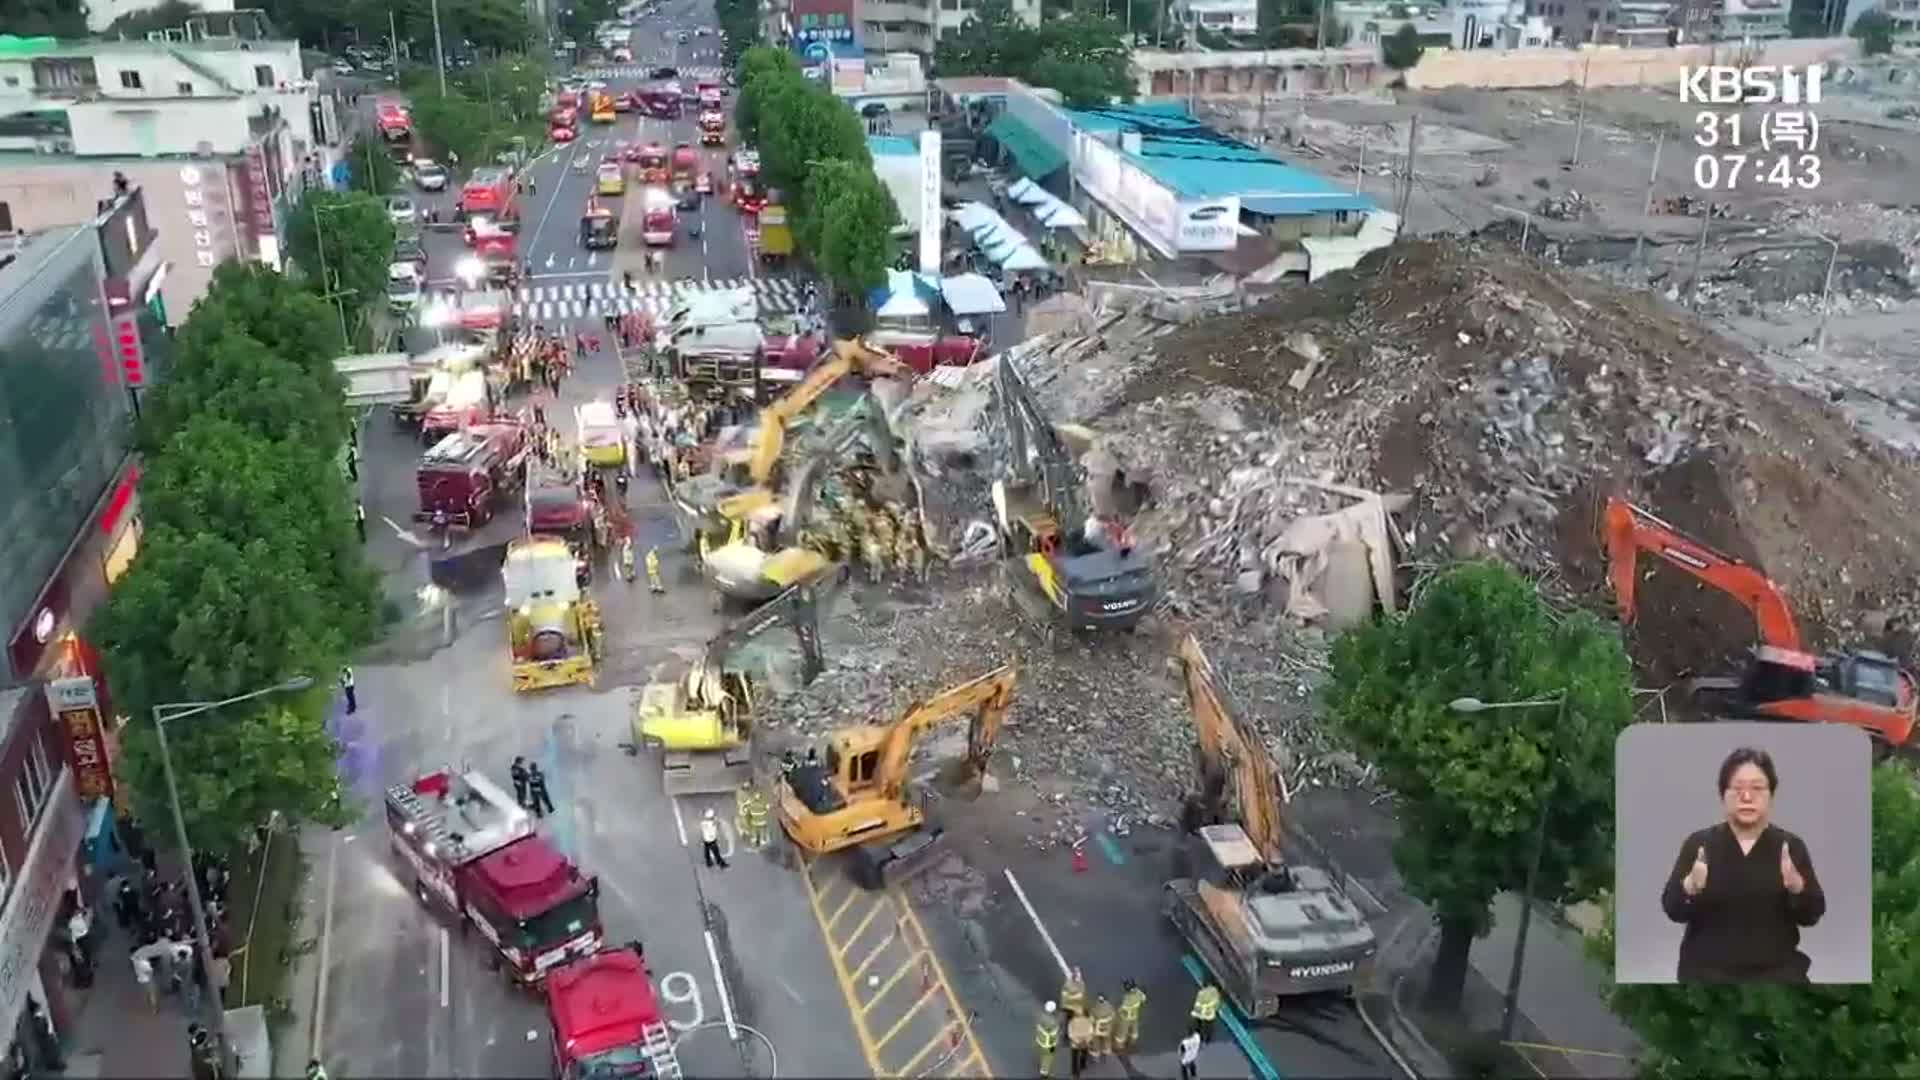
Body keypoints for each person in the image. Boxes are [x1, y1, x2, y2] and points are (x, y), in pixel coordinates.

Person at [1661, 745, 1826, 983]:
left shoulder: (1790, 846)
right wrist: (1690, 886)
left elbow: (1812, 915)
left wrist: (1797, 886)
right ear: (1723, 795)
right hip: (1707, 976)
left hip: (1777, 974)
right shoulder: (1699, 844)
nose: (1747, 797)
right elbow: (1673, 909)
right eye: (1737, 789)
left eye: (1757, 788)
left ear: (1771, 795)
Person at [1114, 979, 1146, 1054]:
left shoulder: (1127, 998)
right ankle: (1132, 1043)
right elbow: (1143, 999)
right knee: (1134, 1032)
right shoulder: (1139, 994)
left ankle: (1119, 1047)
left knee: (1121, 1034)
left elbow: (1121, 1009)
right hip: (1135, 1016)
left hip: (1126, 1018)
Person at [1035, 1001, 1060, 1078]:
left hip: (1040, 1039)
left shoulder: (1040, 1015)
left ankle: (1042, 1066)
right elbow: (1053, 1035)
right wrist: (1053, 1045)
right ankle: (1044, 1072)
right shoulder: (1053, 1021)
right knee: (1048, 1057)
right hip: (1048, 1043)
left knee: (1042, 1053)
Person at [133, 947, 157, 1011]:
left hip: (140, 979)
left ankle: (147, 1000)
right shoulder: (145, 963)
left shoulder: (134, 959)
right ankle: (154, 1008)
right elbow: (150, 972)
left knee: (145, 992)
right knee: (152, 994)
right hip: (148, 980)